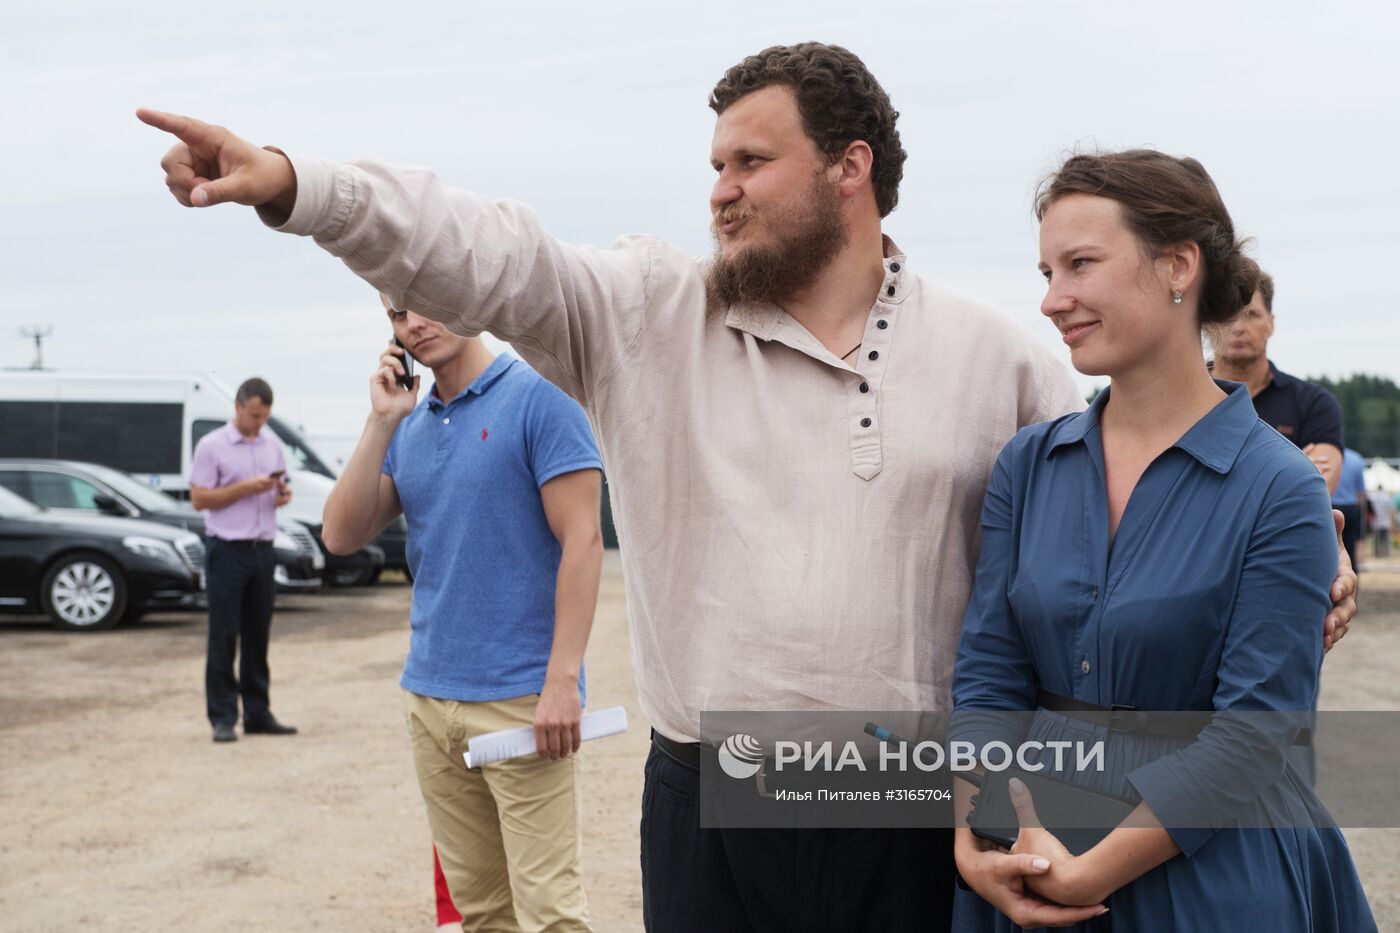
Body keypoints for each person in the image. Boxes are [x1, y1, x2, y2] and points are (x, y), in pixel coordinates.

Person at [136, 42, 1358, 930]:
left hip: (908, 797)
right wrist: (299, 186)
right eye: (711, 162)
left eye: (747, 160)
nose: (716, 188)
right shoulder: (643, 313)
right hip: (711, 790)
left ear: (849, 169)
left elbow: (1133, 497)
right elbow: (483, 246)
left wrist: (1308, 548)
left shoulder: (998, 358)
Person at [952, 150, 1375, 931]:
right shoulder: (1026, 466)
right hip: (1029, 850)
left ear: (1179, 265)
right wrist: (976, 825)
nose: (1052, 299)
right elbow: (987, 676)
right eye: (1046, 271)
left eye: (1080, 264)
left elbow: (1254, 732)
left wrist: (1088, 875)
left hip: (1209, 872)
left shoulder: (1279, 486)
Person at [321, 299, 603, 932]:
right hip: (429, 699)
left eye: (427, 303)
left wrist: (562, 680)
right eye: (397, 314)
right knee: (480, 915)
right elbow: (339, 535)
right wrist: (381, 421)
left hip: (522, 702)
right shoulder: (410, 427)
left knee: (551, 916)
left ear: (470, 296)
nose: (414, 324)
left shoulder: (541, 397)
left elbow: (583, 542)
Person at [190, 377, 297, 742]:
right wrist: (246, 488)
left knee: (258, 634)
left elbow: (278, 487)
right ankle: (222, 716)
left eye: (264, 416)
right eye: (253, 415)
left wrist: (280, 494)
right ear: (237, 407)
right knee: (224, 634)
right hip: (226, 550)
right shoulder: (211, 446)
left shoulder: (272, 445)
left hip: (262, 550)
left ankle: (257, 712)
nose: (259, 423)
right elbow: (200, 499)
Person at [1209, 270, 1344, 495]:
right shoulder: (1176, 397)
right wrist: (1287, 470)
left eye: (1251, 314)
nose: (1239, 326)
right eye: (1227, 314)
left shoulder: (1313, 404)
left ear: (1271, 323)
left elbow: (1313, 493)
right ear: (1208, 323)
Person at [1333, 448, 1367, 570]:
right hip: (1351, 507)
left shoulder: (1328, 456)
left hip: (1331, 506)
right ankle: (1352, 578)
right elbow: (1361, 492)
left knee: (1330, 547)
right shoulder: (1356, 458)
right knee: (1350, 546)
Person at [1370, 486, 1395, 558]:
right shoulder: (1387, 497)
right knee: (1386, 539)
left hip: (1376, 520)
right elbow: (1391, 510)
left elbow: (1370, 510)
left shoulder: (1373, 497)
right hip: (1386, 521)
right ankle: (1386, 553)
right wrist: (1392, 522)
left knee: (1376, 539)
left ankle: (1376, 554)